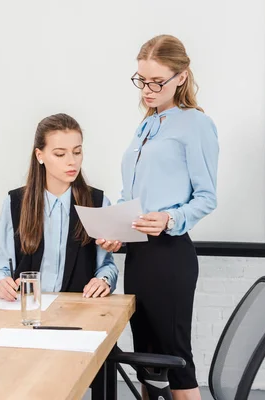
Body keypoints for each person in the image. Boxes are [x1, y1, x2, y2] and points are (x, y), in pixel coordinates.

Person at [99, 35, 218, 400]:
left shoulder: (194, 125)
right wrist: (116, 228)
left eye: (156, 82)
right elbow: (132, 195)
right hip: (138, 257)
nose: (147, 90)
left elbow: (207, 198)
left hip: (169, 257)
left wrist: (168, 219)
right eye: (141, 80)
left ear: (180, 77)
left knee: (177, 363)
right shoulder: (146, 126)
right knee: (148, 365)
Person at [0, 113, 118, 300]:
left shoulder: (98, 202)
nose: (71, 161)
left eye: (77, 152)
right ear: (39, 155)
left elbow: (106, 265)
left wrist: (103, 280)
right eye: (60, 154)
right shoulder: (15, 202)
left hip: (78, 311)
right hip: (26, 312)